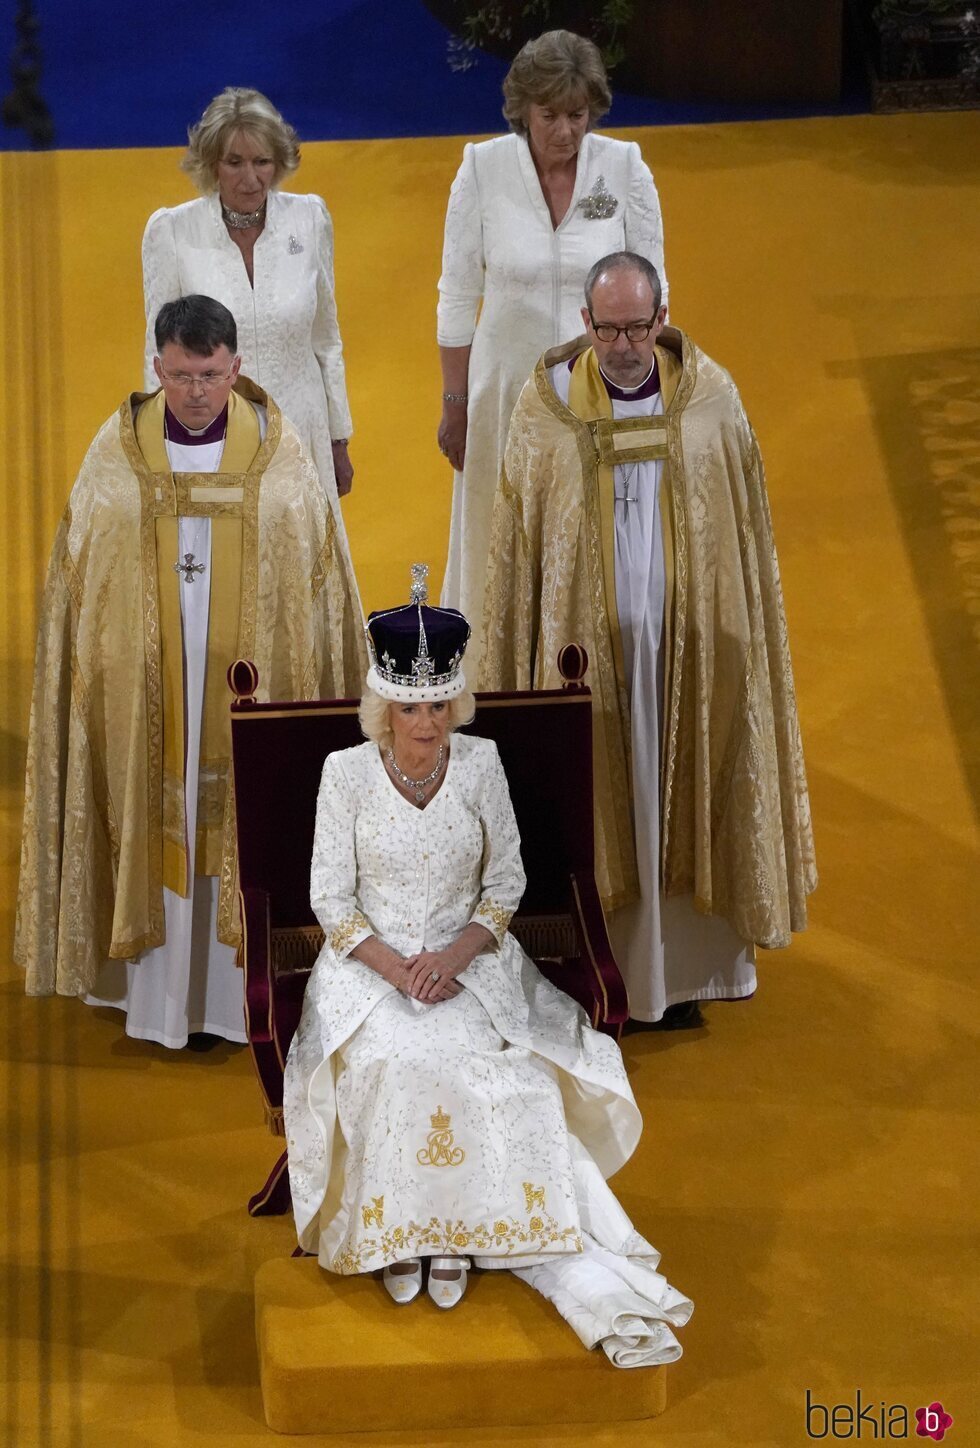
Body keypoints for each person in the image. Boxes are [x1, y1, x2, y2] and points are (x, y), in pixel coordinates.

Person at [283, 567, 692, 1361]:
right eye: (411, 706)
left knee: (496, 1068)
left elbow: (507, 880)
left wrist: (456, 956)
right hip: (370, 970)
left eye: (439, 704)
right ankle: (399, 1234)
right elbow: (331, 902)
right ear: (383, 708)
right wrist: (402, 971)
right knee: (393, 1064)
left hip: (472, 963)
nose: (427, 723)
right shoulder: (345, 776)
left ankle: (455, 1236)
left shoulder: (480, 764)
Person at [15, 295, 367, 1048]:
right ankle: (158, 1000)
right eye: (180, 376)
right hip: (149, 697)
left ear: (236, 368)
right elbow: (83, 585)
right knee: (158, 802)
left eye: (210, 375)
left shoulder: (281, 454)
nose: (197, 392)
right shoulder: (118, 456)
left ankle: (240, 992)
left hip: (249, 686)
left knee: (242, 803)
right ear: (157, 368)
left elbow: (317, 588)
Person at [480, 252, 817, 1025]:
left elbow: (743, 541)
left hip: (691, 658)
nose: (625, 343)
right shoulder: (547, 412)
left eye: (638, 325)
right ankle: (603, 974)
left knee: (683, 782)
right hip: (586, 662)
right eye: (609, 328)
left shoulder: (711, 402)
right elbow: (519, 557)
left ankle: (688, 979)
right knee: (598, 794)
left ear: (662, 317)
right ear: (585, 324)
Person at [437, 29, 668, 678]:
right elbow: (457, 297)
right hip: (504, 391)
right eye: (550, 117)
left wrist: (648, 398)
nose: (566, 131)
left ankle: (594, 677)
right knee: (496, 537)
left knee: (595, 538)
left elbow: (653, 286)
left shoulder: (624, 169)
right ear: (522, 112)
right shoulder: (481, 169)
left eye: (578, 115)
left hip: (603, 393)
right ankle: (492, 679)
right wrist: (455, 404)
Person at [142, 87, 354, 512]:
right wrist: (160, 449)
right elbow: (158, 350)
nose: (250, 178)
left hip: (303, 431)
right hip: (213, 438)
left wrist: (338, 437)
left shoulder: (310, 219)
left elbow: (326, 340)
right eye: (234, 162)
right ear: (211, 165)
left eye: (262, 162)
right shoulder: (173, 232)